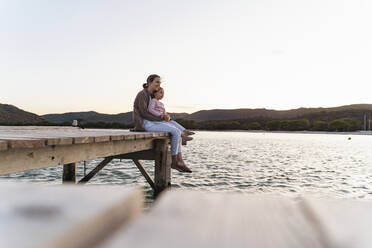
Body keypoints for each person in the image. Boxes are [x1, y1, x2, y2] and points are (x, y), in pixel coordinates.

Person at [133, 74, 192, 173]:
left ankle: (179, 161)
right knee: (175, 131)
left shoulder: (151, 95)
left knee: (177, 131)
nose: (159, 84)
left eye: (160, 82)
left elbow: (156, 111)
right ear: (149, 82)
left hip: (152, 122)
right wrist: (162, 118)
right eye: (157, 82)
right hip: (145, 124)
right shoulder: (142, 94)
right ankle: (175, 162)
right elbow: (143, 113)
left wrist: (165, 116)